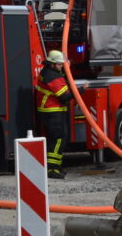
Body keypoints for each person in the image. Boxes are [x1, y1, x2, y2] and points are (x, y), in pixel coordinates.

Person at [36, 50, 70, 179]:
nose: (62, 66)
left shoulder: (46, 72)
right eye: (60, 64)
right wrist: (81, 90)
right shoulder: (53, 77)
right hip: (53, 112)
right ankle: (52, 169)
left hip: (48, 111)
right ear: (53, 64)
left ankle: (56, 167)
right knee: (58, 140)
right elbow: (64, 96)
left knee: (55, 140)